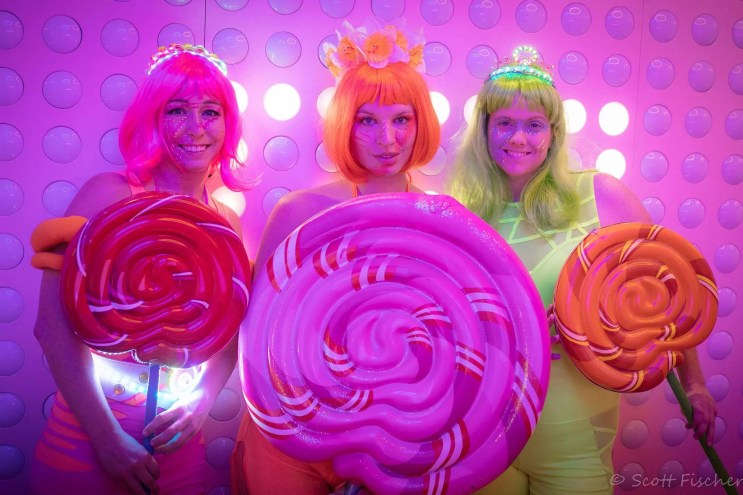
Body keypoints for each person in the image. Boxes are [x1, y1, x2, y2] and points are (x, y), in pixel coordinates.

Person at [447, 45, 718, 495]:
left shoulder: (599, 194)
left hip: (573, 434)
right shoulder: (462, 215)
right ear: (485, 129)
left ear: (553, 133)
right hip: (483, 434)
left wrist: (695, 384)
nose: (519, 138)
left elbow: (669, 291)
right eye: (505, 123)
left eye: (534, 125)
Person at [230, 18, 440, 495]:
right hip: (290, 427)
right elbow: (256, 329)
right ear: (345, 124)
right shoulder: (299, 212)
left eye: (401, 120)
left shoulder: (440, 220)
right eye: (367, 120)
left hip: (395, 434)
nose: (387, 140)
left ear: (420, 123)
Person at [30, 43, 251, 495]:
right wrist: (106, 438)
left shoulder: (225, 222)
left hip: (179, 453)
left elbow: (230, 337)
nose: (195, 127)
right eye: (176, 110)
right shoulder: (109, 195)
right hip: (85, 446)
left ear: (228, 124)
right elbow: (51, 327)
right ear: (152, 118)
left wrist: (202, 403)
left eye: (210, 112)